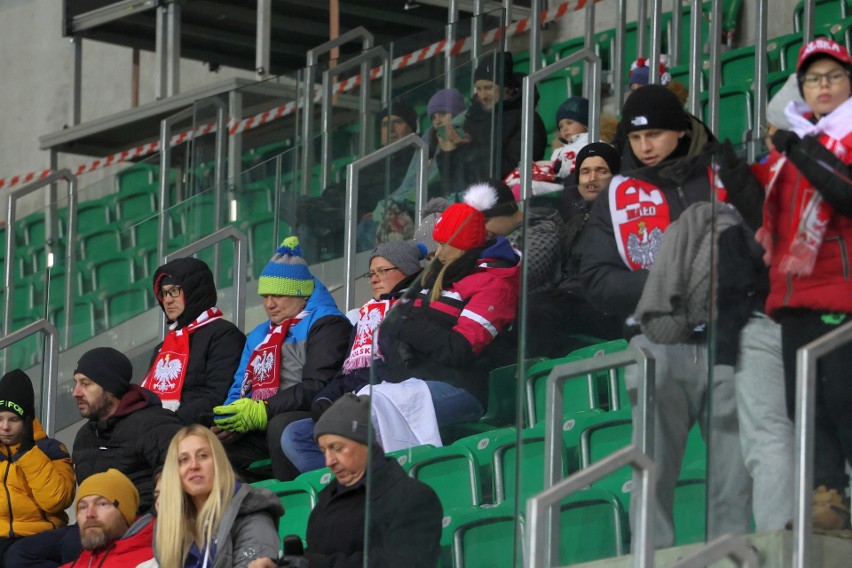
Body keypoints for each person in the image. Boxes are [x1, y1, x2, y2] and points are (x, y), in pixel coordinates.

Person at [579, 84, 763, 548]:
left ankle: (732, 553)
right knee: (652, 464)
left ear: (681, 131)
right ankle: (651, 556)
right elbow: (598, 281)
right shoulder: (618, 193)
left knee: (733, 467)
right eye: (636, 138)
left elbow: (766, 241)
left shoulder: (726, 175)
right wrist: (672, 283)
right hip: (656, 343)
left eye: (655, 134)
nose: (644, 146)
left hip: (730, 338)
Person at [757, 38, 852, 531]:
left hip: (843, 294)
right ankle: (827, 499)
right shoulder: (790, 151)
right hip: (794, 297)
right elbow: (769, 220)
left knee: (843, 400)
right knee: (806, 408)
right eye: (813, 78)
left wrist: (801, 149)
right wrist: (736, 175)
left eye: (833, 76)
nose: (823, 86)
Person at [6, 347, 183, 568]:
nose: (75, 392)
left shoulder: (154, 424)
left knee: (74, 545)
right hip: (94, 523)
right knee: (18, 556)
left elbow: (179, 481)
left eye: (86, 383)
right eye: (75, 382)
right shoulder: (85, 436)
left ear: (110, 387)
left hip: (142, 524)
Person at [280, 240, 427, 477]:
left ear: (408, 270)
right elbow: (347, 373)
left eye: (383, 271)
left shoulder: (418, 306)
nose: (374, 279)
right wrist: (326, 398)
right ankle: (344, 488)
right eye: (371, 273)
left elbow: (400, 365)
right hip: (358, 402)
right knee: (293, 434)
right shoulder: (366, 318)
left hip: (391, 399)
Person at [213, 236, 352, 481]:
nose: (269, 304)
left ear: (301, 294)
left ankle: (292, 502)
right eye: (265, 296)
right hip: (262, 419)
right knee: (208, 448)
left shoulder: (327, 323)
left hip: (307, 413)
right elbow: (240, 385)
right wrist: (231, 419)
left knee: (281, 426)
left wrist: (263, 410)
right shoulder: (258, 335)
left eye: (277, 295)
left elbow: (317, 385)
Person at [378, 195, 520, 428]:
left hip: (461, 387)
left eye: (444, 244)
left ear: (462, 246)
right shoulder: (434, 278)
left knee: (372, 416)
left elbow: (457, 349)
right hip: (411, 382)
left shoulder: (493, 284)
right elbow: (390, 330)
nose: (438, 252)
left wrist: (406, 326)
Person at [279, 394, 442, 568]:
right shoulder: (326, 499)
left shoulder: (413, 497)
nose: (329, 461)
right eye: (324, 451)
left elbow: (400, 563)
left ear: (366, 442)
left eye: (337, 448)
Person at [526, 142, 624, 358]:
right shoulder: (575, 219)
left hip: (606, 305)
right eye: (585, 172)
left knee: (536, 311)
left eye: (601, 171)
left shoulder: (624, 215)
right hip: (572, 298)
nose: (591, 179)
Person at [155, 425, 282, 568]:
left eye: (203, 456)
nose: (193, 466)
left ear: (219, 462)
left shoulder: (251, 511)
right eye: (183, 460)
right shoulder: (170, 524)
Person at [143, 257, 246, 425]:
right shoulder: (162, 347)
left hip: (192, 430)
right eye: (164, 293)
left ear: (194, 291)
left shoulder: (224, 335)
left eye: (175, 291)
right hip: (160, 426)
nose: (168, 300)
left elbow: (218, 396)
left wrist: (168, 421)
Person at [438, 52, 547, 186]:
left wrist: (470, 147)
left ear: (505, 87)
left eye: (488, 88)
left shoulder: (527, 119)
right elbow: (454, 183)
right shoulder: (472, 118)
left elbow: (513, 170)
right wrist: (449, 153)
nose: (482, 96)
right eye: (478, 89)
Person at [0, 370, 75, 564]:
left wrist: (29, 455)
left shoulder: (51, 449)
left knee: (16, 560)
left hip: (38, 536)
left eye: (13, 419)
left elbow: (56, 501)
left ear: (28, 420)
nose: (5, 427)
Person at [465, 178, 561, 295]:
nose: (480, 230)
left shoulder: (543, 232)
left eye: (485, 222)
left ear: (505, 212)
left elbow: (522, 276)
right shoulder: (494, 235)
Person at [59, 469, 154, 568]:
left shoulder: (152, 563)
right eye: (83, 507)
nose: (89, 514)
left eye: (102, 504)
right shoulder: (79, 563)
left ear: (126, 512)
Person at [549, 96, 590, 179]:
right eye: (561, 126)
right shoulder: (557, 152)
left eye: (569, 123)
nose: (565, 129)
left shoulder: (595, 143)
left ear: (585, 124)